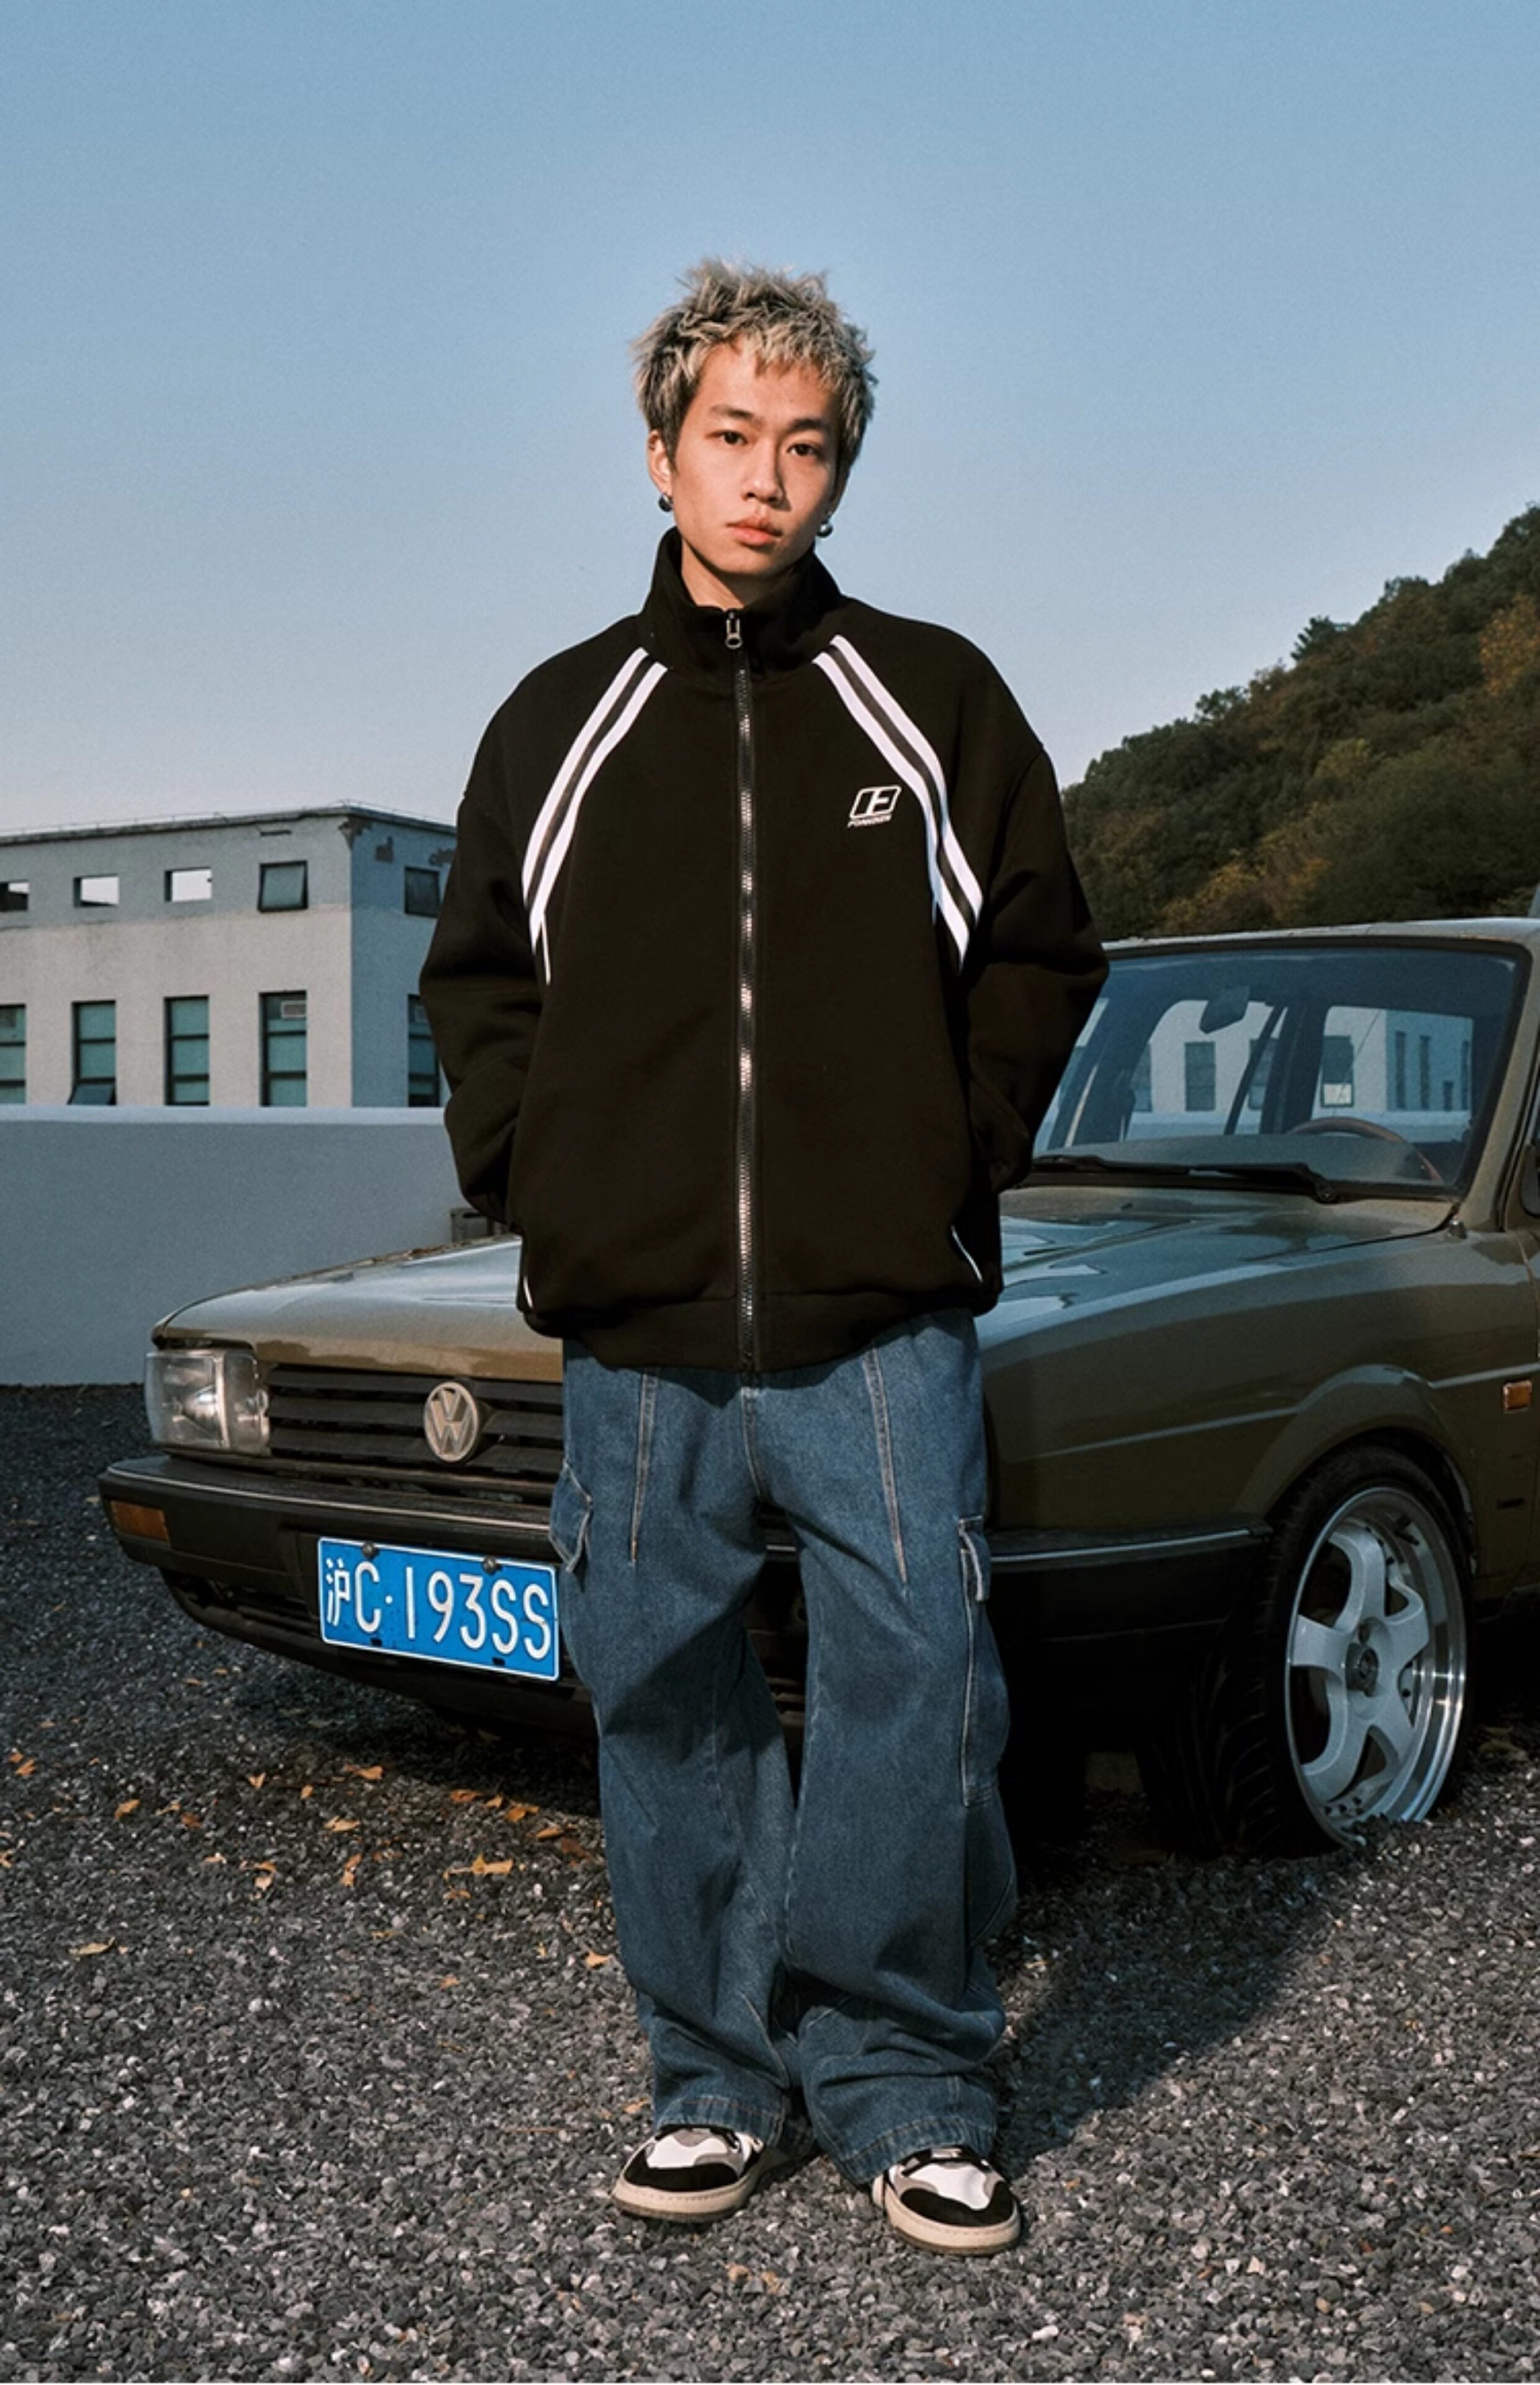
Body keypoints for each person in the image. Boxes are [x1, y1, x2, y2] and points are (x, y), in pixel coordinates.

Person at [419, 260, 1107, 2256]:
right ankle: (714, 2081)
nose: (767, 479)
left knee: (920, 1691)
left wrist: (942, 1169)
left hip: (879, 1324)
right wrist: (545, 1186)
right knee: (664, 1697)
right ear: (662, 455)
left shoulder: (933, 698)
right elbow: (481, 985)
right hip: (638, 1330)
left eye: (808, 447)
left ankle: (906, 2082)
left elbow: (1040, 954)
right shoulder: (561, 720)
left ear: (838, 474)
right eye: (732, 436)